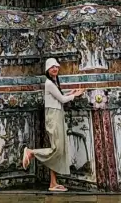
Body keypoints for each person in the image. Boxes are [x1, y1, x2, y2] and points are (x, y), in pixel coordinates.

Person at [22, 57, 82, 192]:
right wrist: (75, 95)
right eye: (52, 67)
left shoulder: (53, 83)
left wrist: (70, 93)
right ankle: (31, 152)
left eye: (56, 66)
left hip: (57, 114)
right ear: (47, 70)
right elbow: (61, 99)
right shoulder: (49, 83)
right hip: (53, 116)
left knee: (57, 150)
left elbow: (58, 97)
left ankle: (53, 183)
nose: (55, 69)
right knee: (57, 149)